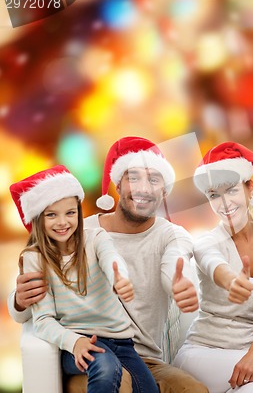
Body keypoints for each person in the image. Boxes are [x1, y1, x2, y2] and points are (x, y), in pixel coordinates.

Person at [8, 137, 208, 393]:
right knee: (118, 382)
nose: (144, 188)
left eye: (154, 180)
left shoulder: (171, 236)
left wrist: (178, 284)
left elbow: (174, 261)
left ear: (165, 190)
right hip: (88, 354)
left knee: (193, 390)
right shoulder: (77, 230)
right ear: (117, 183)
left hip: (143, 360)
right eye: (133, 178)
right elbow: (24, 312)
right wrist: (20, 300)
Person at [9, 165, 158, 393]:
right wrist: (74, 342)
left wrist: (119, 277)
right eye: (51, 215)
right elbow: (43, 320)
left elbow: (111, 258)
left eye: (70, 213)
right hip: (77, 340)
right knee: (106, 367)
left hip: (122, 342)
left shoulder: (96, 238)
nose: (62, 222)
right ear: (38, 219)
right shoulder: (35, 258)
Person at [173, 141, 253, 392]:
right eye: (213, 195)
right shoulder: (207, 243)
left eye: (231, 190)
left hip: (247, 358)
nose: (223, 203)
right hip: (202, 355)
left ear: (249, 187)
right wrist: (231, 281)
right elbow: (213, 263)